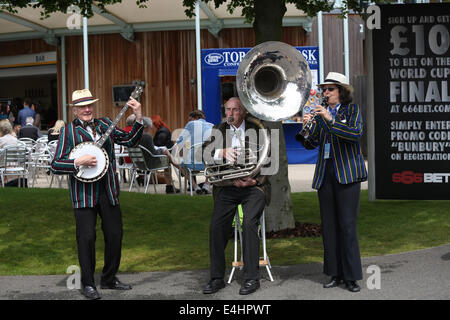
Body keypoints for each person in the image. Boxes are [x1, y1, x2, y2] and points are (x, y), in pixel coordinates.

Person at [51, 88, 144, 300]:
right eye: (82, 106)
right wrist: (78, 162)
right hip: (83, 193)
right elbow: (55, 164)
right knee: (86, 238)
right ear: (74, 110)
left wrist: (138, 116)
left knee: (114, 235)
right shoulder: (68, 132)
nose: (86, 109)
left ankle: (109, 278)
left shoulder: (105, 124)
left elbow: (130, 140)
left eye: (89, 105)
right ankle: (88, 284)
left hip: (108, 190)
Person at [297, 72, 367, 293]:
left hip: (347, 174)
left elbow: (355, 134)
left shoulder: (351, 110)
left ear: (342, 92)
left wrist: (330, 119)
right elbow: (311, 144)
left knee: (347, 226)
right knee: (328, 228)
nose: (325, 93)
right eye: (324, 89)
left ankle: (351, 276)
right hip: (325, 174)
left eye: (330, 89)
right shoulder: (320, 114)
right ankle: (334, 273)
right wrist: (306, 128)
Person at [201, 97, 270, 295]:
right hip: (227, 186)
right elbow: (202, 153)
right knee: (216, 226)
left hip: (254, 187)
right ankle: (216, 278)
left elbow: (269, 160)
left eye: (235, 110)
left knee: (249, 223)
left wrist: (254, 181)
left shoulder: (258, 130)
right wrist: (221, 152)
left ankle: (251, 278)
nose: (230, 114)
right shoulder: (219, 129)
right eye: (227, 110)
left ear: (244, 112)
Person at [176, 110, 213, 194]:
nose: (189, 121)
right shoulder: (212, 125)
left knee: (181, 166)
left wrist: (182, 151)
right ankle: (206, 185)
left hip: (193, 163)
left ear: (196, 118)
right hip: (210, 164)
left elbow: (180, 141)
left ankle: (195, 187)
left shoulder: (191, 124)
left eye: (190, 119)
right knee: (215, 162)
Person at [139, 116, 180, 194]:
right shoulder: (147, 136)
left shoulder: (135, 136)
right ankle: (177, 171)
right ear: (147, 126)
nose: (151, 128)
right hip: (150, 163)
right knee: (167, 161)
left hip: (139, 164)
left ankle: (171, 185)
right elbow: (153, 152)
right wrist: (162, 150)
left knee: (166, 155)